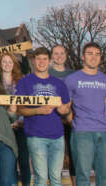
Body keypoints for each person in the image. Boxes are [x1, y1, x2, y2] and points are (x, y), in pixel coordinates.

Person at [15, 47, 71, 186]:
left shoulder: (59, 83)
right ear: (33, 61)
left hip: (57, 136)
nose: (41, 62)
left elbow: (66, 109)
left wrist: (64, 110)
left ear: (50, 61)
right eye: (38, 58)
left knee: (56, 178)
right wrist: (38, 110)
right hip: (36, 136)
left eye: (45, 59)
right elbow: (20, 110)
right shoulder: (25, 82)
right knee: (41, 177)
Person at [64, 43, 106, 186]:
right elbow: (67, 107)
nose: (94, 57)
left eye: (97, 54)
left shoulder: (105, 79)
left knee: (105, 177)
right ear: (83, 57)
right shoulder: (72, 79)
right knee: (83, 177)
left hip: (103, 133)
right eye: (90, 53)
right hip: (82, 133)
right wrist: (72, 122)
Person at [0, 53, 30, 186]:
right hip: (4, 127)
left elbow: (27, 101)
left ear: (14, 63)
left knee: (23, 160)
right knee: (9, 161)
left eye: (9, 61)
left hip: (21, 125)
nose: (7, 64)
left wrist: (20, 120)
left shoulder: (22, 80)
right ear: (0, 64)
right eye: (4, 62)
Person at [48, 45, 75, 186]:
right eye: (56, 54)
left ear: (66, 55)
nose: (59, 56)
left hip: (71, 120)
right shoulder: (47, 73)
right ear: (52, 56)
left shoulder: (74, 74)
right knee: (55, 159)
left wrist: (69, 111)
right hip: (53, 120)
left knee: (74, 157)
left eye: (62, 53)